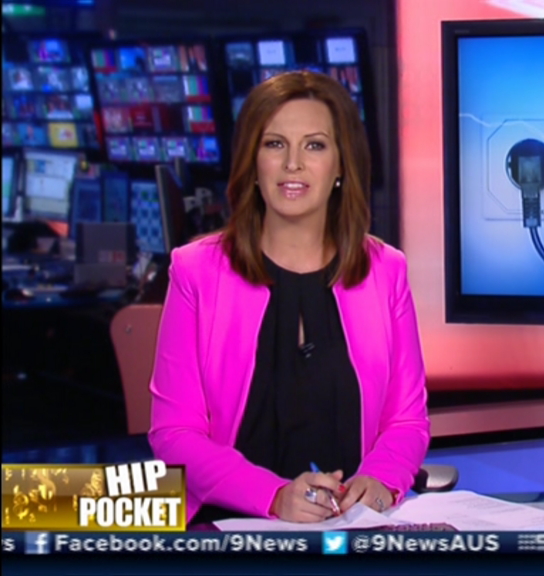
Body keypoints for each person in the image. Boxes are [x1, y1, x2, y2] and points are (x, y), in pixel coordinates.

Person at [148, 71, 429, 525]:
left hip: (349, 528)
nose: (292, 164)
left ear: (341, 165)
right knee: (41, 503)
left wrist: (380, 481)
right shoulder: (195, 271)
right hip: (229, 524)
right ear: (252, 162)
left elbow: (406, 421)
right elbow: (175, 434)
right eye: (275, 144)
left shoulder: (386, 271)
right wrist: (274, 496)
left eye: (314, 145)